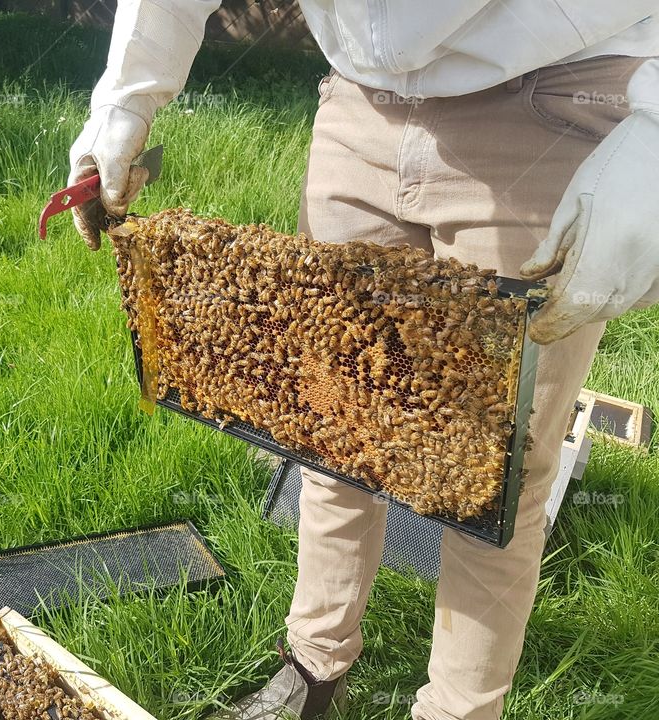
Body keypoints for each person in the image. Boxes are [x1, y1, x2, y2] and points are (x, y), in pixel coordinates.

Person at [66, 3, 659, 719]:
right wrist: (126, 99)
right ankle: (313, 670)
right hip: (360, 102)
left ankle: (457, 709)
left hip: (553, 98)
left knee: (492, 466)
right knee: (331, 422)